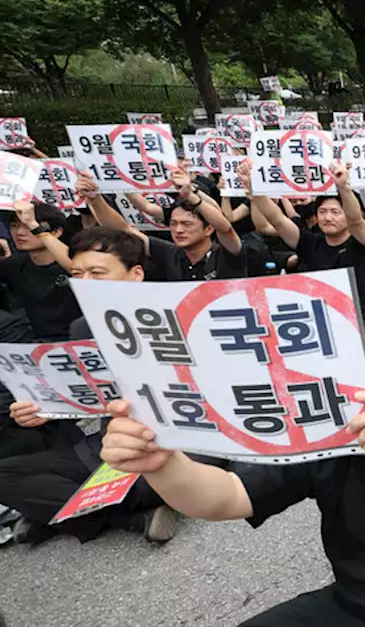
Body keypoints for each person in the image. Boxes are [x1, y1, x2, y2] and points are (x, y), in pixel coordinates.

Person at [100, 323, 365, 627]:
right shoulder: (322, 440)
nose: (350, 405)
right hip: (357, 605)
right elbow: (227, 497)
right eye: (338, 390)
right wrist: (163, 463)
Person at [0, 227, 180, 545]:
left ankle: (62, 515)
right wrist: (47, 409)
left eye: (97, 272)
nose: (86, 282)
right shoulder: (81, 327)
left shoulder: (173, 312)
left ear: (136, 273)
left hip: (177, 444)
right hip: (109, 448)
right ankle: (124, 518)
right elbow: (86, 395)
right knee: (6, 475)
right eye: (77, 274)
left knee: (157, 479)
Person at [240, 159, 365, 319]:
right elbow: (277, 219)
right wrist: (254, 189)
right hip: (318, 320)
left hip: (360, 321)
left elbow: (356, 221)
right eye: (322, 211)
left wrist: (343, 188)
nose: (327, 217)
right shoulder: (310, 242)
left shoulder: (361, 243)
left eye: (335, 212)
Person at [90, 166, 246, 282]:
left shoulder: (227, 253)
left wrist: (191, 195)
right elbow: (123, 229)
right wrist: (95, 199)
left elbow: (225, 228)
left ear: (209, 229)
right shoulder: (171, 253)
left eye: (186, 224)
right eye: (173, 224)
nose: (178, 230)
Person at [0, 199, 78, 341]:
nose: (19, 232)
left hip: (77, 340)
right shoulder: (13, 266)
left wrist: (34, 226)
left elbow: (77, 267)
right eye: (14, 226)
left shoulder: (78, 266)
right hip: (33, 340)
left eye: (27, 226)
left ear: (57, 232)